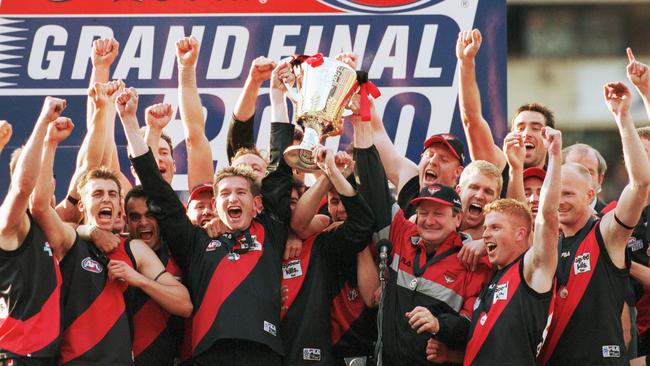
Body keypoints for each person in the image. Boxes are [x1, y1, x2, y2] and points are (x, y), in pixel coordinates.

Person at [125, 80, 295, 364]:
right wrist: (129, 121)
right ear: (215, 205)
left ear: (257, 204)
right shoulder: (196, 241)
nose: (232, 199)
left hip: (264, 354)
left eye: (241, 192)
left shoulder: (271, 230)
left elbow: (280, 168)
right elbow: (156, 189)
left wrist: (277, 99)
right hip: (208, 355)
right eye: (225, 193)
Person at [31, 95, 192, 365]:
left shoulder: (133, 248)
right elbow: (39, 208)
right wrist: (49, 143)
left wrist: (137, 278)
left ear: (120, 206)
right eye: (97, 194)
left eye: (111, 194)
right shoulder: (70, 240)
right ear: (82, 204)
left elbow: (184, 304)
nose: (105, 199)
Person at [355, 109, 490, 365]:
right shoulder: (404, 231)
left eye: (438, 213)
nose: (428, 220)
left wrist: (440, 325)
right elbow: (374, 183)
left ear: (457, 218)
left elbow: (473, 323)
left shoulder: (473, 257)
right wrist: (361, 117)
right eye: (424, 212)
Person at [538, 81, 650, 365]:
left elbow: (640, 184)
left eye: (568, 193)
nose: (559, 201)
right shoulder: (547, 241)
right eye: (555, 192)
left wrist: (622, 116)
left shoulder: (606, 232)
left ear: (591, 194)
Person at [460, 127, 562, 365]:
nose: (485, 235)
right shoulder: (495, 275)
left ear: (521, 234)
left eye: (494, 228)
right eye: (485, 228)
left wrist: (555, 156)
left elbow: (547, 216)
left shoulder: (532, 269)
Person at [280, 146, 374, 366]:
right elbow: (299, 224)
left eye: (344, 199)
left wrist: (336, 173)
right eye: (333, 202)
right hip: (316, 349)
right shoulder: (324, 229)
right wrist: (328, 173)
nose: (340, 209)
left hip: (365, 348)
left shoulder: (376, 226)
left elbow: (370, 297)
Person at [0, 98, 66, 365]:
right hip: (17, 354)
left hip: (43, 356)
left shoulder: (50, 225)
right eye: (38, 171)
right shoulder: (11, 225)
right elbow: (22, 189)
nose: (45, 179)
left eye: (48, 173)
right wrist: (44, 121)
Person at [457, 29, 554, 197]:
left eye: (536, 128)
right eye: (520, 127)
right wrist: (466, 63)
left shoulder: (557, 179)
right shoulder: (497, 165)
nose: (526, 134)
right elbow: (471, 120)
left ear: (549, 139)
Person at [455, 160, 501, 240]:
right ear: (458, 191)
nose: (479, 196)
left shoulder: (496, 245)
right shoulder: (435, 221)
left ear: (496, 202)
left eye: (488, 192)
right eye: (474, 187)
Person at [563, 143, 608, 212]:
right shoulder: (550, 215)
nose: (581, 179)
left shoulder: (611, 218)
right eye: (573, 172)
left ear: (600, 180)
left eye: (589, 173)